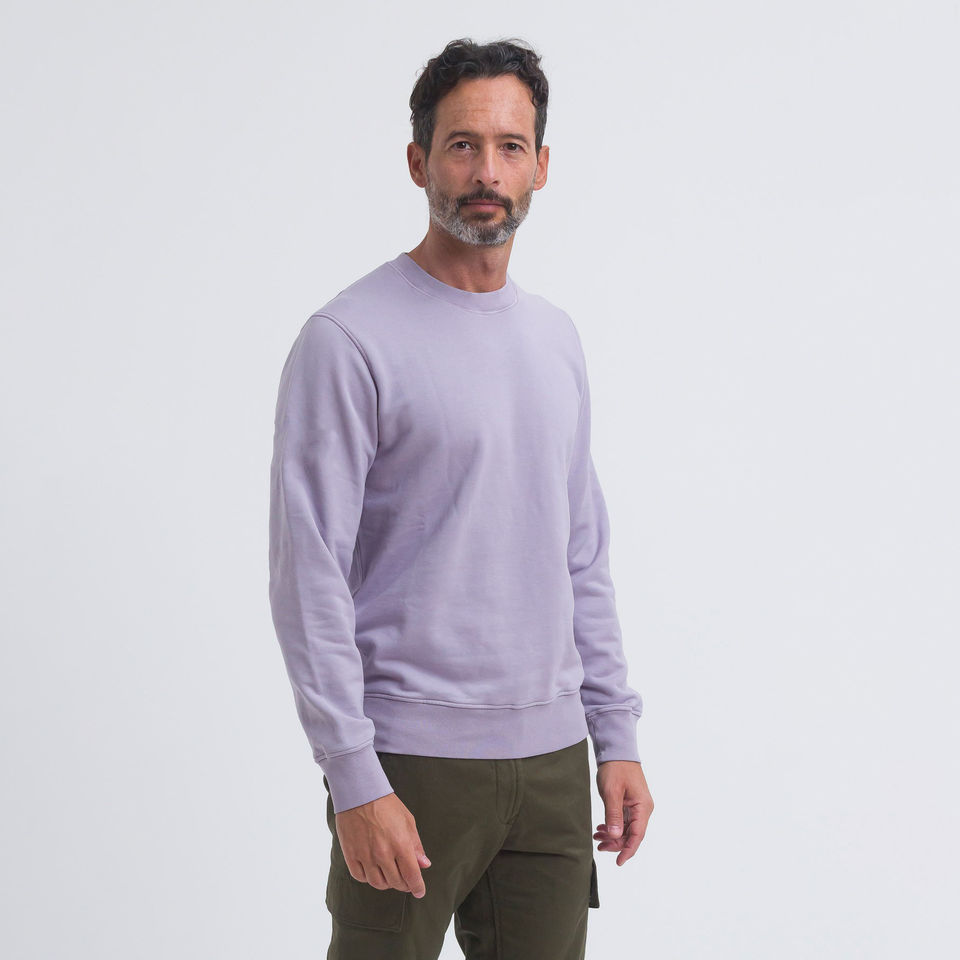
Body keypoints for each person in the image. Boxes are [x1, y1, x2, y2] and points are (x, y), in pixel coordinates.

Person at [268, 36, 655, 959]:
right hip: (409, 762)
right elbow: (308, 574)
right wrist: (354, 775)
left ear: (541, 166)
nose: (488, 172)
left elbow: (581, 553)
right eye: (462, 145)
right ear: (419, 162)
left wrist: (617, 736)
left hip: (552, 765)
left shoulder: (555, 339)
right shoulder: (348, 340)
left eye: (511, 146)